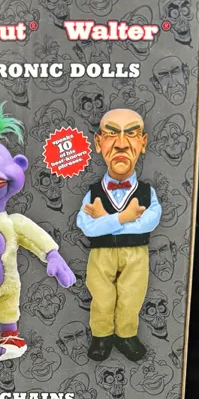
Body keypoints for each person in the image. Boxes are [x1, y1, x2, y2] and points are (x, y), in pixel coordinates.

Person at [76, 108, 162, 363]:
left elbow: (148, 224)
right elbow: (86, 226)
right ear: (98, 143)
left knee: (131, 296)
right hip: (100, 256)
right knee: (102, 297)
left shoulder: (147, 192)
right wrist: (124, 218)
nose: (122, 144)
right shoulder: (93, 192)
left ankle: (126, 336)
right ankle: (101, 336)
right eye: (111, 134)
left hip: (136, 255)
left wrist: (105, 220)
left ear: (143, 143)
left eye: (132, 134)